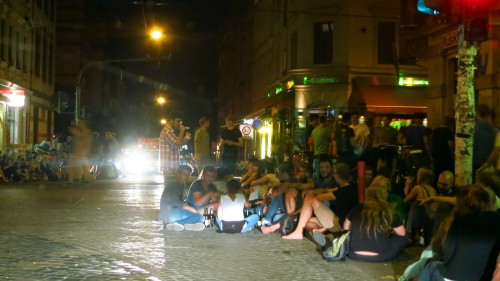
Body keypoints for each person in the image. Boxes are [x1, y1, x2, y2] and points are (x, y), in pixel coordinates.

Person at [419, 185, 500, 281]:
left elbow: (448, 253)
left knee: (430, 265)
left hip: (454, 276)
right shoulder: (497, 219)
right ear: (490, 203)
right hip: (484, 277)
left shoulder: (459, 221)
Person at [281, 163, 358, 240]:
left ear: (336, 175)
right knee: (306, 222)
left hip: (340, 224)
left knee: (309, 198)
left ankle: (298, 232)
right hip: (337, 222)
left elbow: (318, 198)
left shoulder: (345, 191)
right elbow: (327, 190)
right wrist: (315, 191)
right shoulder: (347, 188)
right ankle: (325, 236)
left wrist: (312, 193)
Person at [344, 183, 406, 262]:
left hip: (354, 254)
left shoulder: (357, 208)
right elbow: (402, 233)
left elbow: (346, 227)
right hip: (380, 256)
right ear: (384, 196)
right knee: (404, 237)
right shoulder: (388, 211)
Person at [159, 165, 205, 231]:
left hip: (170, 214)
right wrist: (191, 208)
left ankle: (184, 225)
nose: (186, 177)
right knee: (201, 217)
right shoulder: (173, 185)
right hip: (170, 214)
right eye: (184, 174)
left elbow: (181, 201)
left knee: (199, 217)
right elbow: (175, 202)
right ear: (178, 174)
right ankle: (178, 223)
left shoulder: (181, 184)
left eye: (188, 175)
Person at [159, 111, 190, 182]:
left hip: (173, 167)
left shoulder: (170, 131)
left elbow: (178, 144)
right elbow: (178, 143)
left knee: (174, 190)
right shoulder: (167, 131)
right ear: (171, 120)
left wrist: (186, 138)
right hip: (169, 168)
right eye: (178, 121)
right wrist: (182, 130)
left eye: (180, 122)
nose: (179, 123)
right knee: (171, 191)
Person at [473, 104, 498, 176]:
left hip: (475, 165)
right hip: (490, 166)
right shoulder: (496, 132)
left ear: (477, 114)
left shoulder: (472, 130)